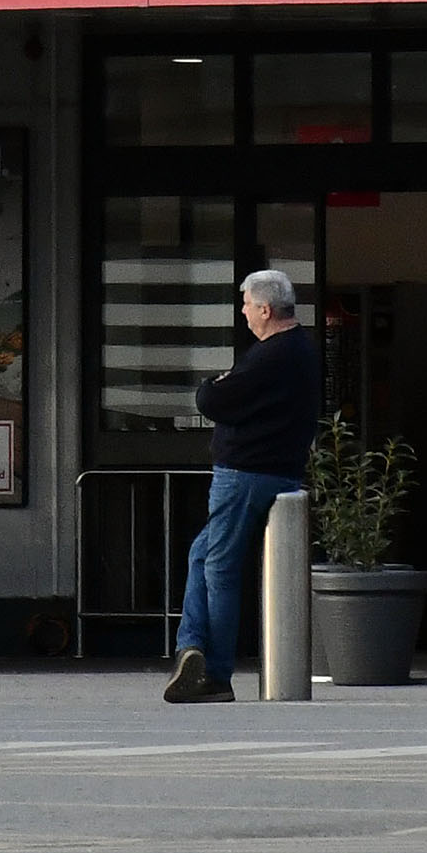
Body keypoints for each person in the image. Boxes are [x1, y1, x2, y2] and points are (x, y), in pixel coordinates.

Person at [166, 269, 320, 704]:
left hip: (246, 475)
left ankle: (212, 671)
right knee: (203, 553)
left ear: (266, 309)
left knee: (220, 568)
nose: (244, 311)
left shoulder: (272, 355)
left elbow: (214, 400)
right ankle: (190, 647)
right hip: (275, 470)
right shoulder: (298, 352)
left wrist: (208, 385)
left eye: (248, 304)